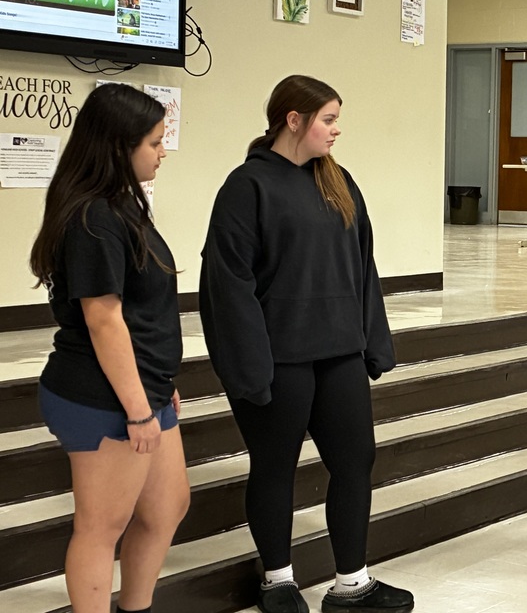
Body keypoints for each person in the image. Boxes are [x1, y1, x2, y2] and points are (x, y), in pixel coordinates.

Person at [199, 75, 413, 613]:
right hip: (278, 359)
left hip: (338, 351)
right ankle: (277, 580)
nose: (337, 130)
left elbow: (362, 266)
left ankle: (352, 584)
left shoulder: (338, 181)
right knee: (275, 467)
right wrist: (248, 367)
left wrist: (373, 340)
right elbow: (229, 285)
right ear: (293, 120)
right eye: (329, 119)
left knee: (355, 461)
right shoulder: (246, 187)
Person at [29, 84, 189, 613]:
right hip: (102, 395)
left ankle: (135, 608)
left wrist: (161, 384)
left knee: (167, 507)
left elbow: (143, 312)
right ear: (119, 147)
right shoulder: (93, 218)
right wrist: (140, 409)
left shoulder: (122, 204)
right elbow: (104, 322)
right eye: (155, 143)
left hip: (143, 387)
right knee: (100, 529)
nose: (163, 152)